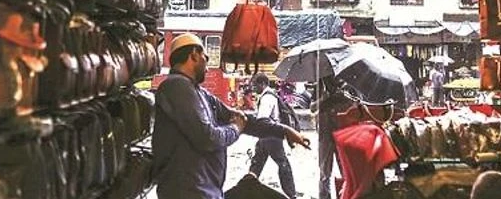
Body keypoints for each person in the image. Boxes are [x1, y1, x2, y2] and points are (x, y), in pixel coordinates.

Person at [152, 33, 310, 199]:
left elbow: (244, 120)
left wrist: (284, 131)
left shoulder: (198, 92)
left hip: (205, 190)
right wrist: (235, 128)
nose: (207, 67)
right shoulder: (177, 86)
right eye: (206, 57)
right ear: (194, 55)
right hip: (186, 192)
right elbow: (208, 137)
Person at [248, 73, 296, 198]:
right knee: (258, 162)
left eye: (255, 85)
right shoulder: (270, 95)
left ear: (262, 84)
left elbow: (263, 119)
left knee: (281, 163)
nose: (254, 88)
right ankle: (247, 187)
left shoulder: (267, 98)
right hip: (268, 136)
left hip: (270, 136)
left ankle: (291, 194)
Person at [310, 76, 354, 199]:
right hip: (325, 133)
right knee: (324, 172)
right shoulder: (321, 83)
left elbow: (355, 106)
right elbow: (312, 107)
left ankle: (346, 195)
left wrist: (345, 97)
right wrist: (322, 100)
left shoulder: (348, 85)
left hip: (343, 133)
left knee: (346, 170)